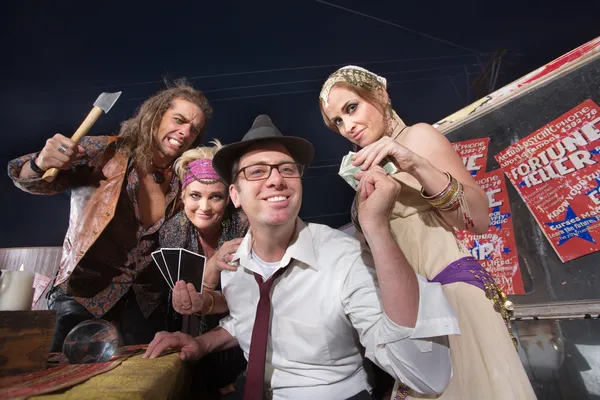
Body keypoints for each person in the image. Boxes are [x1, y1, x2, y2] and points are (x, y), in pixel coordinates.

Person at [143, 114, 459, 400]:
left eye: (287, 169)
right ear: (236, 196)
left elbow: (427, 376)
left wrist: (378, 229)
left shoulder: (345, 259)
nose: (276, 179)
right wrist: (199, 344)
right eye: (256, 171)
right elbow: (245, 323)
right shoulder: (235, 263)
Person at [319, 65, 536, 399]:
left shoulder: (417, 138)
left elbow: (477, 220)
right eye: (337, 121)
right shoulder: (369, 166)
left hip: (449, 293)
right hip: (412, 306)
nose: (347, 126)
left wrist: (416, 164)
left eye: (351, 108)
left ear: (379, 94)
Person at [7, 80, 212, 351]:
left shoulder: (183, 179)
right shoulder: (107, 152)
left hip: (144, 308)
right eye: (179, 120)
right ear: (155, 116)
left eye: (193, 129)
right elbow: (29, 178)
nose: (185, 132)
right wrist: (39, 163)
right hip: (81, 298)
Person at [159, 140, 248, 395]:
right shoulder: (173, 230)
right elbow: (187, 307)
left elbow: (249, 302)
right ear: (183, 196)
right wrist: (211, 269)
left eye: (215, 197)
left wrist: (209, 274)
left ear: (229, 197)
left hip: (241, 333)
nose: (205, 207)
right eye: (195, 196)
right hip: (192, 333)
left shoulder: (245, 227)